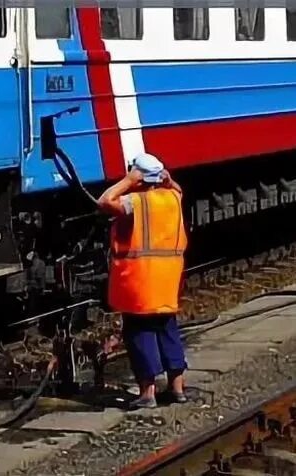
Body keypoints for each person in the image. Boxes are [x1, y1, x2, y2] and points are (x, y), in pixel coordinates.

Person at [97, 152, 188, 409]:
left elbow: (104, 201)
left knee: (140, 332)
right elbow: (177, 188)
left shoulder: (135, 202)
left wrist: (128, 180)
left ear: (139, 176)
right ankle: (177, 388)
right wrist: (167, 180)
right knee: (167, 327)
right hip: (168, 278)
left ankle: (148, 394)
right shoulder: (173, 196)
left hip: (140, 280)